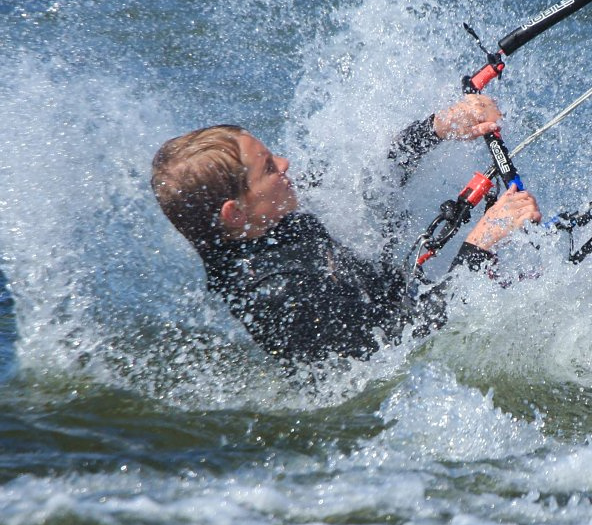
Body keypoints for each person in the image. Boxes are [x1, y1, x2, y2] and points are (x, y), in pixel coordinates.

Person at [151, 95, 542, 371]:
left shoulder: (260, 223)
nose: (286, 164)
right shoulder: (279, 296)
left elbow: (372, 186)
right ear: (235, 213)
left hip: (399, 299)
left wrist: (436, 128)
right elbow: (404, 345)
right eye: (269, 167)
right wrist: (479, 246)